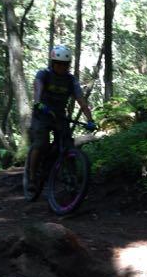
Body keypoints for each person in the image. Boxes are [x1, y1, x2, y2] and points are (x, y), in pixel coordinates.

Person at [27, 44, 96, 185]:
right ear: (53, 63)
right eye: (58, 64)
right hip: (42, 113)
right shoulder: (44, 74)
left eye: (65, 64)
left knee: (67, 144)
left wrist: (90, 120)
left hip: (59, 116)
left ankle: (72, 177)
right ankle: (31, 177)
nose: (61, 67)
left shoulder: (71, 81)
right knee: (40, 144)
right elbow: (38, 87)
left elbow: (81, 101)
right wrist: (38, 102)